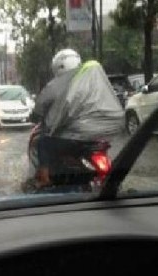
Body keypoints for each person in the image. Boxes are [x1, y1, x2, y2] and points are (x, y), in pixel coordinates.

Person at [30, 49, 124, 187]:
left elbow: (41, 104)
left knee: (43, 143)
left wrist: (34, 116)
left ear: (58, 67)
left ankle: (44, 179)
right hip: (103, 135)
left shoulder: (57, 84)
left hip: (77, 137)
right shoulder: (96, 80)